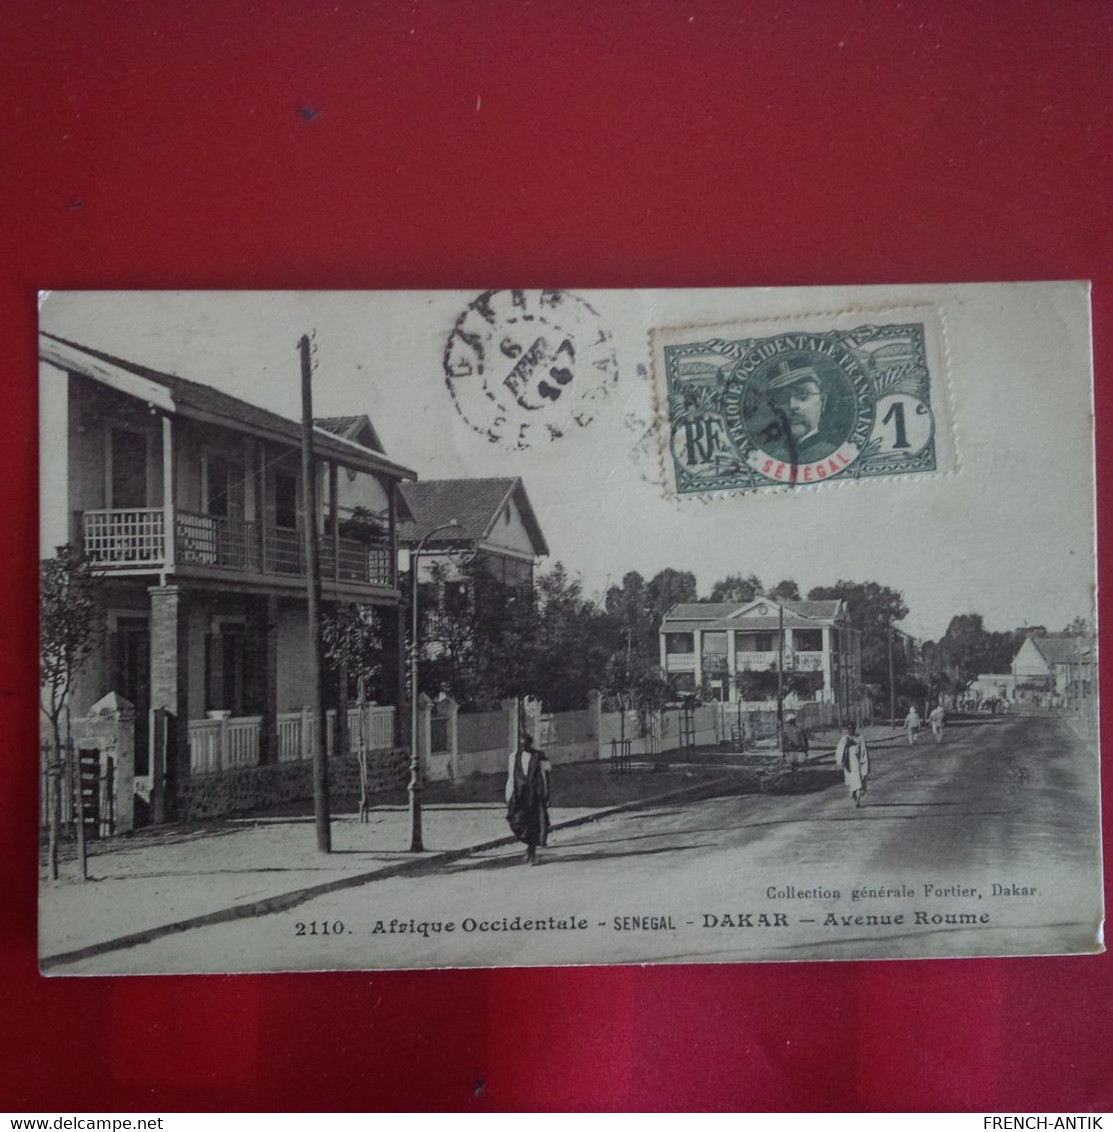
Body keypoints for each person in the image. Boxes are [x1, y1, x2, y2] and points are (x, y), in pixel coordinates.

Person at [758, 359, 841, 464]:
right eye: (782, 398)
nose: (792, 406)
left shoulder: (833, 454)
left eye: (802, 394)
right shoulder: (772, 458)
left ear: (822, 402)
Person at [505, 732, 552, 865]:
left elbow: (545, 776)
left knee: (534, 823)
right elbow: (511, 777)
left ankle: (532, 852)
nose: (523, 745)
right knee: (517, 822)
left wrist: (547, 795)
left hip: (535, 795)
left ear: (530, 743)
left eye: (525, 743)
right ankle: (529, 848)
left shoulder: (539, 756)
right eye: (521, 743)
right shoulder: (513, 757)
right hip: (519, 795)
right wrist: (508, 795)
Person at [835, 721, 870, 808]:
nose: (851, 730)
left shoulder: (860, 738)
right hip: (848, 765)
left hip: (857, 765)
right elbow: (839, 751)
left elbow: (864, 752)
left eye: (852, 728)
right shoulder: (844, 739)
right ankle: (855, 796)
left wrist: (864, 765)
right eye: (849, 728)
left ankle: (858, 801)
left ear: (855, 728)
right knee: (852, 784)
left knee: (858, 783)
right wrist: (846, 746)